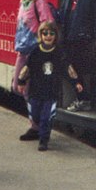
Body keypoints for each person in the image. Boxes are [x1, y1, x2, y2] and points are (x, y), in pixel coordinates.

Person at [17, 20, 82, 151]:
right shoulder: (35, 51)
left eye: (51, 33)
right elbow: (27, 68)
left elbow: (68, 68)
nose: (48, 36)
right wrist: (21, 81)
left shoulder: (59, 52)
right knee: (35, 115)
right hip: (35, 91)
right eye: (45, 33)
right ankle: (38, 130)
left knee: (46, 117)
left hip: (51, 92)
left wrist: (76, 82)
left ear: (55, 36)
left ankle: (44, 140)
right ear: (40, 35)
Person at [7, 0, 55, 141]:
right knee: (18, 86)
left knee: (29, 88)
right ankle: (37, 124)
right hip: (23, 50)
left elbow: (48, 24)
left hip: (35, 51)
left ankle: (37, 126)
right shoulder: (24, 2)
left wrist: (42, 44)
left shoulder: (39, 2)